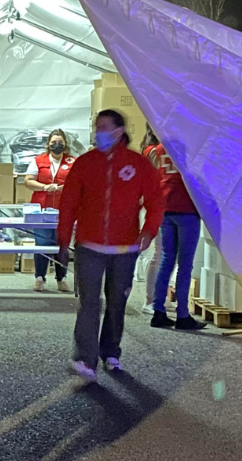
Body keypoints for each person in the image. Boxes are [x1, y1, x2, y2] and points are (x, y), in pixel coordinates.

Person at [57, 110, 162, 382]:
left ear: (118, 131)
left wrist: (149, 230)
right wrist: (63, 237)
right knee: (89, 303)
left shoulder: (138, 165)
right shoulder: (85, 163)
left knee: (117, 303)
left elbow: (155, 200)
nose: (97, 132)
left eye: (103, 127)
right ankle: (85, 359)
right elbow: (68, 202)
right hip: (89, 246)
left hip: (124, 248)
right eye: (96, 126)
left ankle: (111, 351)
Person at [143, 128, 207, 330]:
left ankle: (158, 310)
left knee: (166, 260)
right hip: (186, 207)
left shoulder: (156, 149)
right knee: (185, 264)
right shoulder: (191, 147)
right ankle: (182, 315)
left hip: (164, 206)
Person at [25, 129, 77, 293]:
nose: (57, 145)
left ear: (65, 144)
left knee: (62, 244)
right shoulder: (38, 160)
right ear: (48, 144)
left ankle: (62, 278)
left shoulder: (72, 161)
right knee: (42, 243)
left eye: (60, 142)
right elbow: (28, 181)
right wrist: (45, 187)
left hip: (64, 209)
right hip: (41, 209)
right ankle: (39, 277)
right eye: (54, 142)